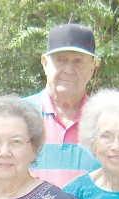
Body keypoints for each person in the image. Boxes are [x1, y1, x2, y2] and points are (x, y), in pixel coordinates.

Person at [23, 23, 101, 187]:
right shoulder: (18, 115)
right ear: (45, 63)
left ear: (92, 68)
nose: (69, 70)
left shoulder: (110, 120)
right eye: (60, 60)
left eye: (78, 61)